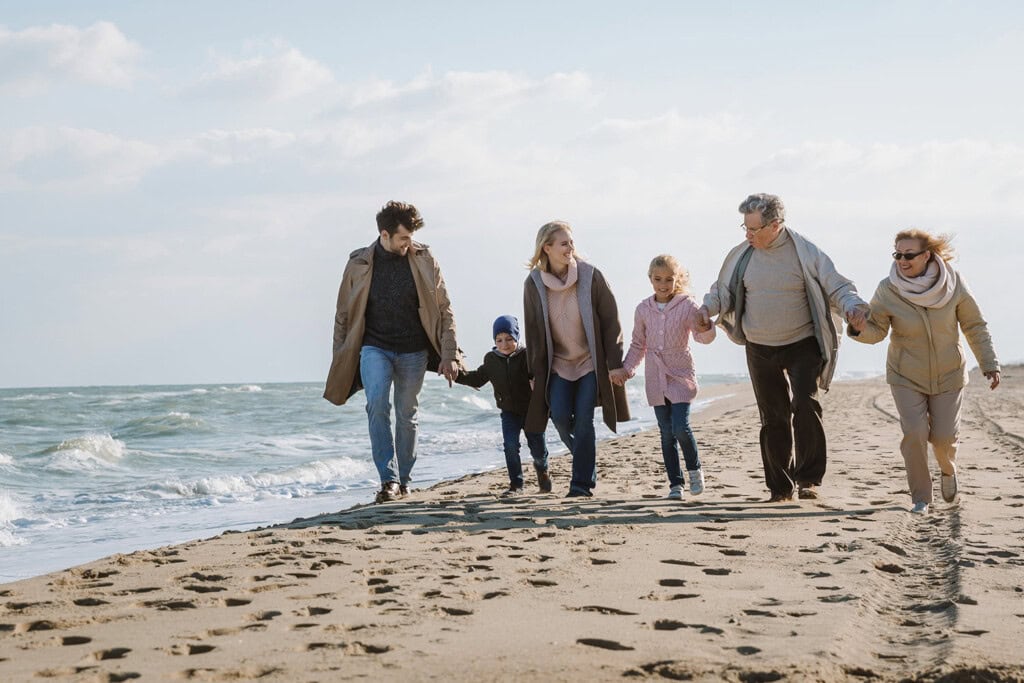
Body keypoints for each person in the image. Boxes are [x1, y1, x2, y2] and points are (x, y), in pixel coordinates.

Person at [696, 193, 868, 502]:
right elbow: (722, 291)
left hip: (802, 343)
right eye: (745, 228)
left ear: (775, 225)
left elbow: (838, 286)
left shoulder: (805, 252)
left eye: (754, 229)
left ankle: (809, 480)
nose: (748, 235)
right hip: (759, 346)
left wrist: (853, 307)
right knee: (773, 416)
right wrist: (706, 309)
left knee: (805, 405)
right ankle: (780, 488)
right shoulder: (742, 255)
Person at [847, 229, 1000, 514]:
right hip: (905, 373)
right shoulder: (888, 288)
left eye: (909, 255)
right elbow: (877, 331)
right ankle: (921, 498)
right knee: (914, 433)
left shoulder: (954, 283)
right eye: (897, 254)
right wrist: (859, 328)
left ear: (926, 255)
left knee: (943, 438)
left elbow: (974, 325)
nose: (902, 261)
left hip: (949, 372)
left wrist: (989, 363)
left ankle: (948, 470)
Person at [323, 200, 463, 504]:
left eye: (410, 237)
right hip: (374, 347)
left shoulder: (425, 259)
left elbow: (444, 308)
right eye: (403, 238)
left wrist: (450, 353)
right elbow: (343, 314)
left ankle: (405, 480)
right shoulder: (358, 263)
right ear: (384, 235)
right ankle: (388, 480)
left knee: (407, 414)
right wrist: (340, 358)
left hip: (414, 351)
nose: (408, 244)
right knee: (377, 405)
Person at [523, 221, 630, 498]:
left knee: (584, 419)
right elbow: (533, 331)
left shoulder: (590, 276)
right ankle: (585, 452)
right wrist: (533, 372)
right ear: (547, 248)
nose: (570, 247)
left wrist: (614, 363)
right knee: (559, 416)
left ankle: (581, 485)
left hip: (589, 363)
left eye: (571, 242)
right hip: (558, 364)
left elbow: (611, 321)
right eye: (564, 243)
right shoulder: (534, 283)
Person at [611, 255, 716, 500]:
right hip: (655, 377)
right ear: (650, 279)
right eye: (658, 279)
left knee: (680, 426)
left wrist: (706, 327)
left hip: (681, 374)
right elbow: (638, 345)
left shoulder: (687, 306)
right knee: (666, 432)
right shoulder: (643, 309)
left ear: (677, 279)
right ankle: (676, 484)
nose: (663, 284)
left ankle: (695, 470)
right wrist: (627, 370)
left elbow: (701, 337)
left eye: (669, 279)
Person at [455, 315, 551, 497]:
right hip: (509, 413)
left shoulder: (527, 355)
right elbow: (477, 378)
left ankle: (542, 470)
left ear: (517, 337)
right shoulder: (491, 359)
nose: (504, 344)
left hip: (532, 411)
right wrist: (455, 374)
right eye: (499, 340)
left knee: (537, 448)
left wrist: (538, 382)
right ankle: (516, 484)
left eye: (509, 339)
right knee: (510, 446)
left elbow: (542, 374)